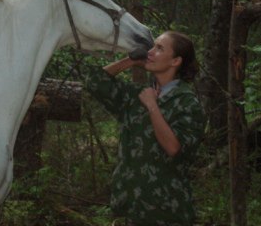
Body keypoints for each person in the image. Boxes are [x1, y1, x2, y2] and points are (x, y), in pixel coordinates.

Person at [85, 31, 205, 226]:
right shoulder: (136, 94)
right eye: (152, 46)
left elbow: (174, 148)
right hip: (130, 208)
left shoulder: (187, 104)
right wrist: (129, 62)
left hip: (166, 212)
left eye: (159, 48)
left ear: (175, 61)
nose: (149, 52)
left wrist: (152, 106)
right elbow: (95, 82)